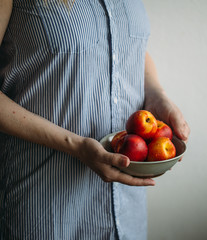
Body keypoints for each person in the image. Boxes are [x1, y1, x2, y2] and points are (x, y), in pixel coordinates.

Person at [0, 0, 190, 239]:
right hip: (45, 202)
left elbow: (130, 48)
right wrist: (76, 145)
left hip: (126, 209)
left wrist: (156, 95)